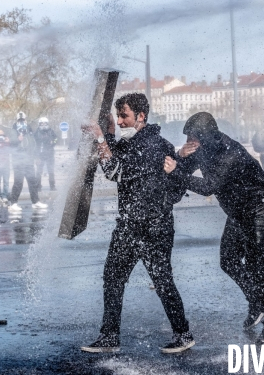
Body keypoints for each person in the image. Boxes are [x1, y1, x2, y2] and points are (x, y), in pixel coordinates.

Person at [81, 93, 194, 354]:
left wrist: (100, 136)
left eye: (124, 116)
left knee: (163, 280)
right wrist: (107, 131)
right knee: (113, 277)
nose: (120, 121)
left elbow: (114, 171)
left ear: (141, 117)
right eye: (118, 116)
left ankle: (183, 334)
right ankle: (109, 336)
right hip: (130, 225)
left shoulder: (152, 145)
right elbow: (115, 154)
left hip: (153, 226)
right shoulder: (135, 141)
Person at [164, 112, 264, 344]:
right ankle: (256, 301)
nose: (190, 140)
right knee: (228, 260)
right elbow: (182, 172)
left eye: (193, 136)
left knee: (256, 267)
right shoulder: (203, 149)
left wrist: (176, 171)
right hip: (238, 214)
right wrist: (178, 161)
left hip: (260, 211)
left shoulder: (230, 152)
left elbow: (208, 186)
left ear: (206, 136)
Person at [8, 112, 47, 211]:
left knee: (32, 182)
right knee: (18, 183)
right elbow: (11, 144)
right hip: (18, 162)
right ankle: (13, 203)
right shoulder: (13, 131)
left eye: (23, 120)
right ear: (17, 121)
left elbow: (33, 145)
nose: (21, 122)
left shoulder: (29, 131)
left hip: (29, 162)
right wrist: (18, 140)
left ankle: (35, 202)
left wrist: (36, 157)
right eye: (19, 120)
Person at [34, 117, 58, 191]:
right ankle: (38, 186)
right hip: (40, 155)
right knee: (39, 171)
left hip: (50, 154)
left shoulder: (51, 131)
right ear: (39, 124)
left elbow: (56, 139)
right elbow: (34, 145)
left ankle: (52, 186)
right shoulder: (36, 133)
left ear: (47, 124)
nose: (43, 125)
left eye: (45, 124)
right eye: (42, 124)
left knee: (51, 171)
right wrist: (36, 156)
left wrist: (53, 142)